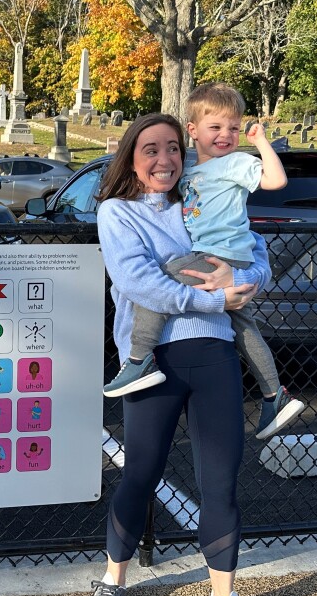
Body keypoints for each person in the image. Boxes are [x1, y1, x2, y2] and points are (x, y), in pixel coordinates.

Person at [84, 111, 270, 596]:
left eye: (172, 148)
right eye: (150, 149)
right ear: (131, 157)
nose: (164, 159)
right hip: (152, 360)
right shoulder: (117, 212)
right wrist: (216, 296)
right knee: (140, 474)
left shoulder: (205, 198)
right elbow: (139, 283)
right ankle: (112, 582)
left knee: (222, 481)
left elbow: (256, 257)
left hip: (213, 356)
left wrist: (244, 283)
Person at [102, 84, 305, 442]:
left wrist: (259, 142)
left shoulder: (237, 163)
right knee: (245, 327)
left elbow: (275, 183)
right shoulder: (191, 173)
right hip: (221, 259)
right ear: (193, 130)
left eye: (233, 128)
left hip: (220, 255)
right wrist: (231, 288)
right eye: (216, 127)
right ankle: (275, 395)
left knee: (166, 277)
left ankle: (139, 360)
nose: (226, 135)